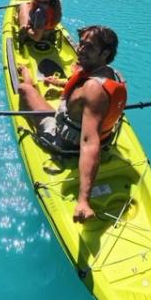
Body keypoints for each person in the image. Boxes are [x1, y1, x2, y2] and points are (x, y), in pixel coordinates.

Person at [17, 25, 127, 223]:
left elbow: (89, 141)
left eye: (89, 47)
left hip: (67, 144)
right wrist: (63, 84)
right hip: (106, 139)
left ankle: (25, 73)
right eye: (81, 44)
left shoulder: (93, 89)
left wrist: (84, 200)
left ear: (105, 53)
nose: (80, 50)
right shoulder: (114, 75)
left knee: (26, 89)